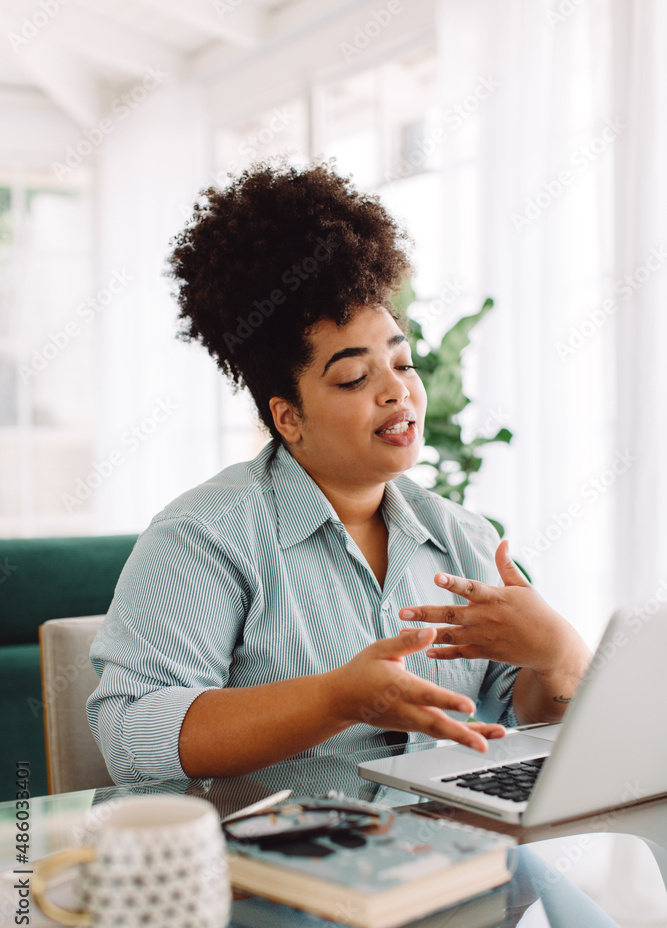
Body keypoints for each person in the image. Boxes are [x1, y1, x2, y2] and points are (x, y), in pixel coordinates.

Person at [86, 161, 590, 786]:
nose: (396, 393)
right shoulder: (205, 535)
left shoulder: (463, 537)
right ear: (288, 417)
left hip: (454, 861)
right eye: (354, 377)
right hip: (277, 873)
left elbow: (527, 715)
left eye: (402, 364)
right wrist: (336, 700)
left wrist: (559, 657)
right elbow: (130, 734)